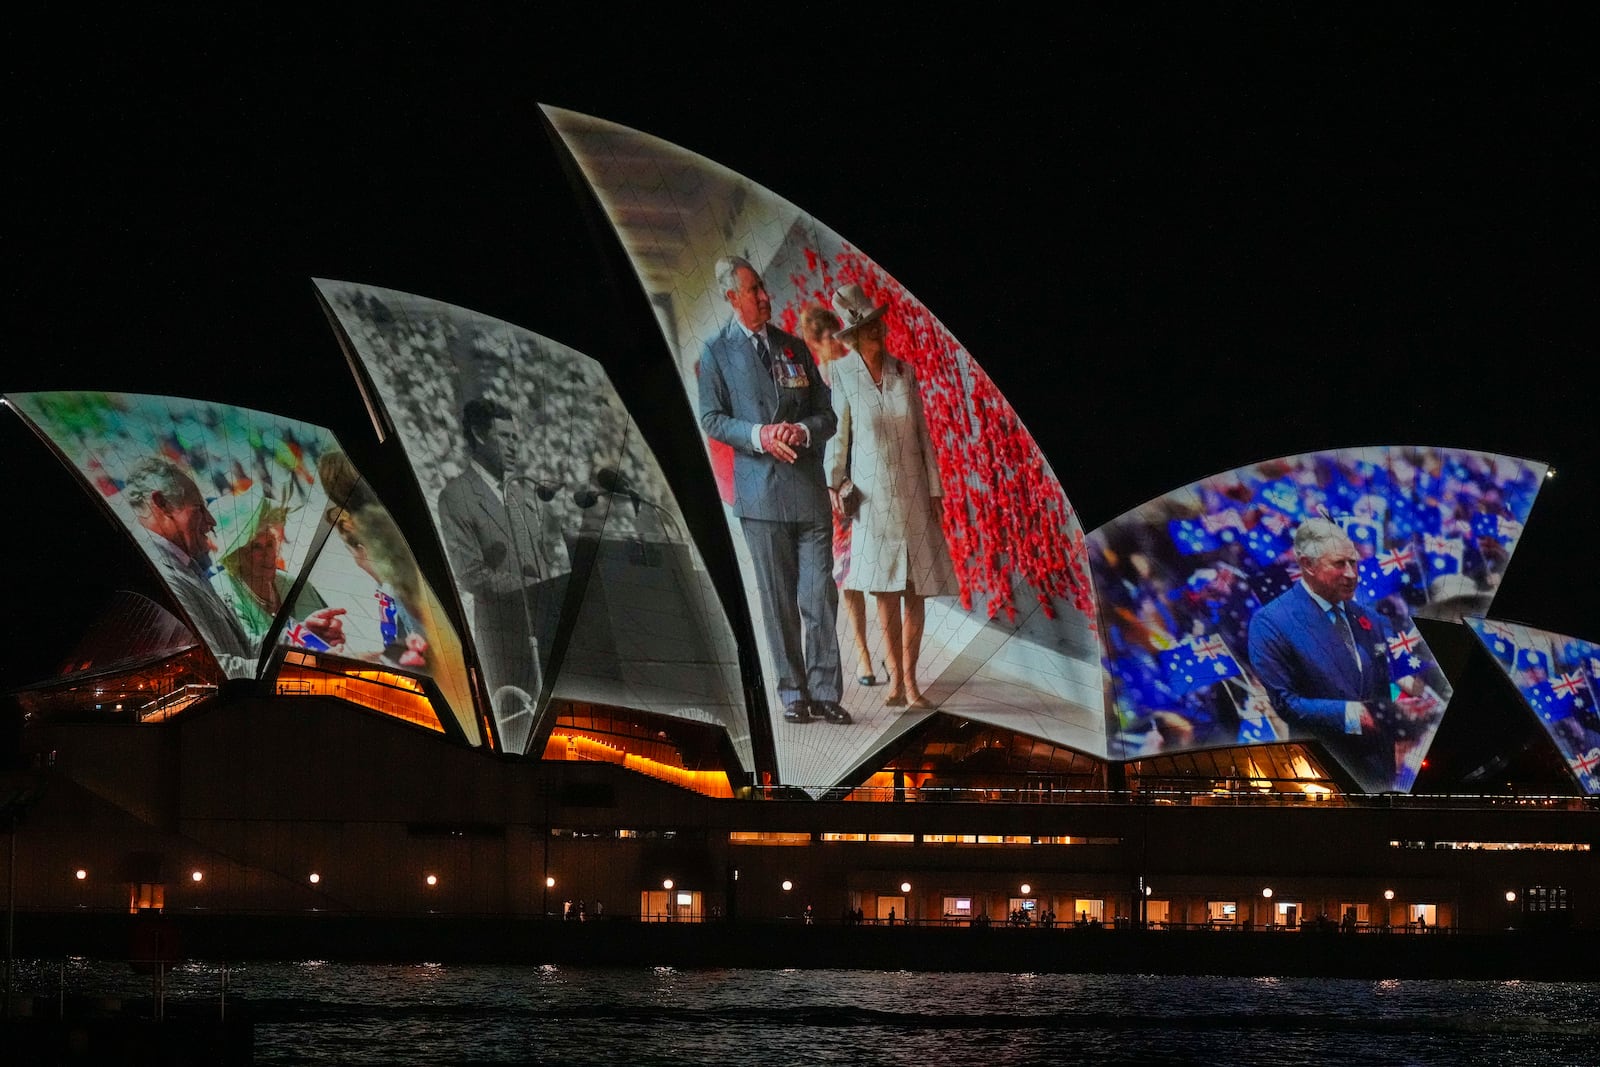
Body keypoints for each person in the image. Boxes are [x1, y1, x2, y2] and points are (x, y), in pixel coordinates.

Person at [698, 256, 847, 725]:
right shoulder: (715, 353)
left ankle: (826, 691)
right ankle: (793, 693)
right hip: (760, 498)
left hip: (807, 494)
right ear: (732, 298)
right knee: (779, 600)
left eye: (763, 287)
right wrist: (760, 435)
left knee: (819, 595)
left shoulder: (793, 347)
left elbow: (827, 414)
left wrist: (802, 432)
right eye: (754, 290)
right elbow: (712, 419)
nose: (765, 296)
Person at [824, 284, 958, 709]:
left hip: (915, 496)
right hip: (872, 501)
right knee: (884, 590)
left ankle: (913, 681)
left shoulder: (906, 373)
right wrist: (834, 482)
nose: (878, 329)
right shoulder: (843, 376)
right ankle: (895, 680)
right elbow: (838, 437)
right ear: (853, 334)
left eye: (877, 322)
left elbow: (924, 437)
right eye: (867, 326)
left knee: (916, 590)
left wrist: (935, 490)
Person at [1247, 518, 1429, 790]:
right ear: (1307, 564)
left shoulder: (1372, 619)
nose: (1352, 573)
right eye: (1339, 564)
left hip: (1380, 772)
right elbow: (1285, 703)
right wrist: (1351, 713)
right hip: (1321, 771)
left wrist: (1409, 698)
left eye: (1353, 562)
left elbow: (1393, 683)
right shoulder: (1271, 622)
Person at [438, 397, 572, 749]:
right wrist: (530, 590)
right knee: (513, 735)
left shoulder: (523, 495)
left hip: (542, 631)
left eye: (517, 436)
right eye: (506, 436)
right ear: (481, 436)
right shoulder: (456, 496)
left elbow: (541, 563)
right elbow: (469, 574)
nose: (515, 444)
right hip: (502, 635)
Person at [124, 457, 266, 676]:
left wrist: (299, 638)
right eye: (199, 508)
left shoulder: (187, 565)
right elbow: (214, 668)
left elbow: (241, 647)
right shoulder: (159, 574)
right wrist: (296, 668)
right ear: (162, 504)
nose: (211, 521)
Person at [798, 304, 875, 688]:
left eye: (834, 333)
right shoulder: (814, 385)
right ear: (815, 344)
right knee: (848, 579)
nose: (832, 342)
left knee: (885, 574)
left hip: (870, 482)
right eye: (824, 338)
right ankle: (864, 657)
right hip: (836, 492)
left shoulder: (858, 371)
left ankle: (890, 653)